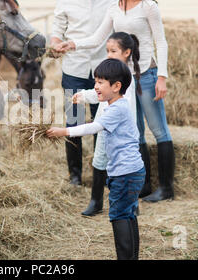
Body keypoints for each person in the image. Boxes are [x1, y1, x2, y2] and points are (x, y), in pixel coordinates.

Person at [55, 0, 175, 202]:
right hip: (126, 79)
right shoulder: (115, 8)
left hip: (148, 75)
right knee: (137, 133)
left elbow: (160, 42)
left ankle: (167, 188)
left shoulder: (148, 7)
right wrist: (73, 44)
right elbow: (99, 37)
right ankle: (144, 186)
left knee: (158, 130)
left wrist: (162, 76)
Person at [47, 58, 145, 260]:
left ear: (117, 86)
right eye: (95, 81)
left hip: (126, 173)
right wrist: (83, 96)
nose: (96, 86)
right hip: (129, 171)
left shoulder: (117, 109)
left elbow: (93, 127)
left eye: (101, 82)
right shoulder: (115, 106)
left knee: (119, 215)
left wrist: (63, 131)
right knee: (127, 214)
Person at [50, 0, 117, 186]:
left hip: (104, 67)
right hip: (74, 69)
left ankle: (104, 173)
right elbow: (57, 31)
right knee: (74, 121)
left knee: (104, 121)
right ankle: (75, 174)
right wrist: (56, 45)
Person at [73, 32, 141, 216]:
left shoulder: (126, 78)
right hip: (104, 128)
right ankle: (96, 201)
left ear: (126, 53)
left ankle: (132, 202)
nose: (109, 55)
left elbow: (124, 107)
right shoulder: (111, 73)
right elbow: (99, 92)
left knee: (124, 165)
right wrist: (84, 96)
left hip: (119, 131)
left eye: (113, 51)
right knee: (99, 161)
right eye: (107, 51)